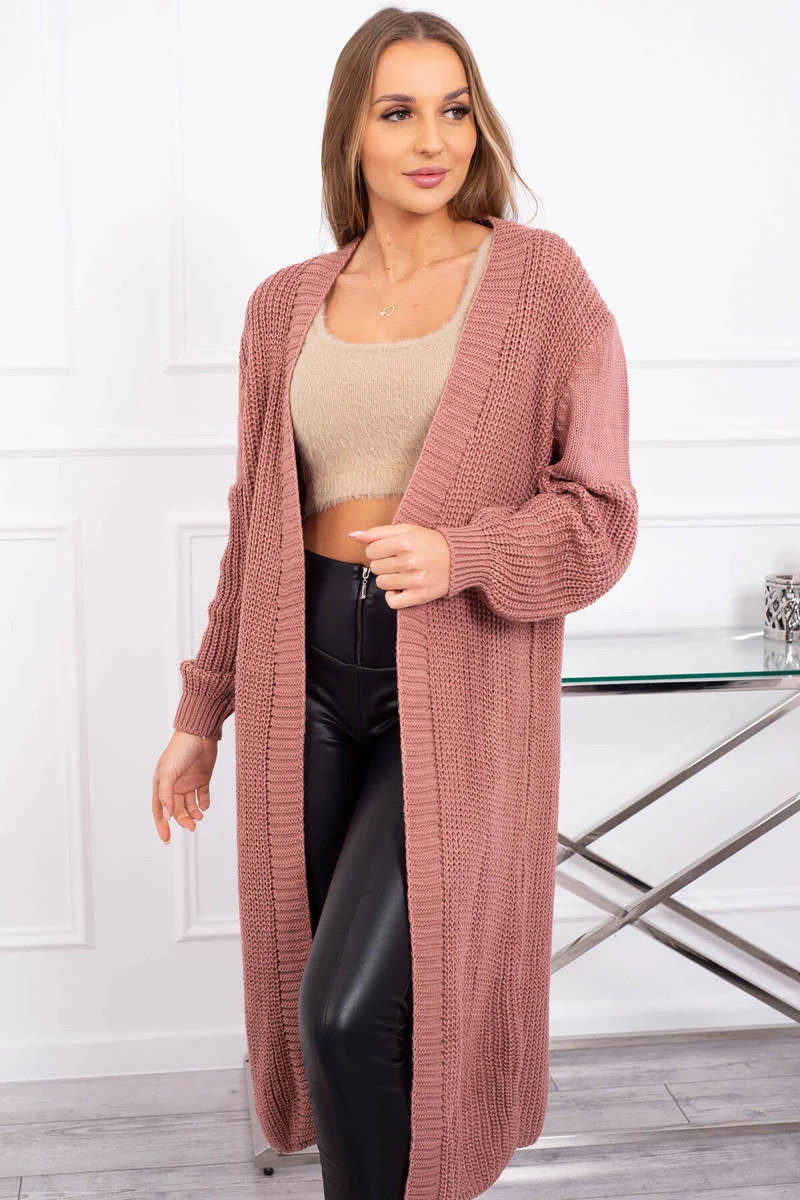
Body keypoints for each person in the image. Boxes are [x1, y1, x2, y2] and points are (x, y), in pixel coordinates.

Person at [151, 9, 638, 1200]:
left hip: (453, 674)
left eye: (454, 109)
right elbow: (255, 525)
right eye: (399, 111)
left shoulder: (539, 284)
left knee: (345, 1006)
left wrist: (463, 551)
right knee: (343, 1024)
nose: (433, 139)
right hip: (303, 673)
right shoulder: (283, 305)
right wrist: (201, 713)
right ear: (351, 134)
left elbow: (600, 515)